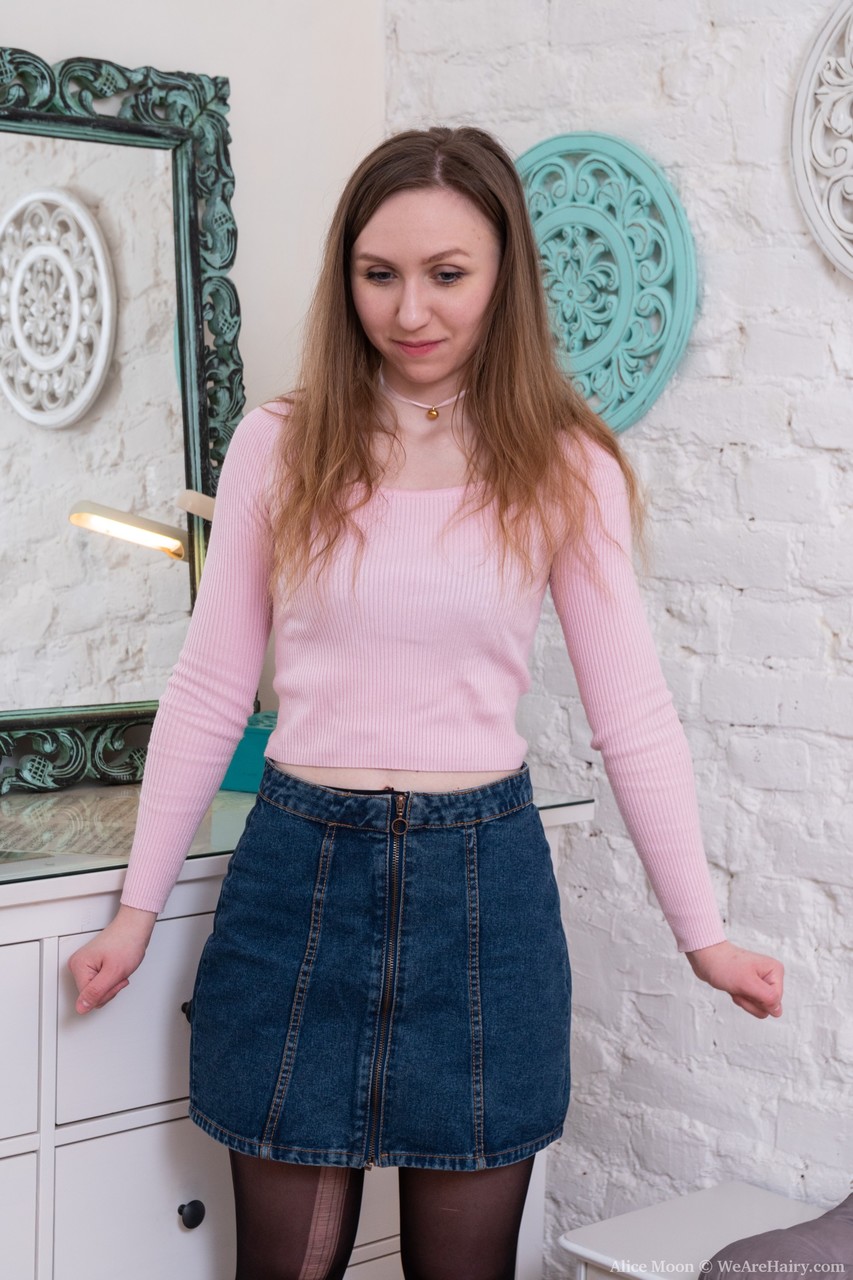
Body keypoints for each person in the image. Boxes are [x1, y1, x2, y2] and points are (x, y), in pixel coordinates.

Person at [68, 126, 784, 1280]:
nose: (410, 310)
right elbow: (208, 684)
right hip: (296, 883)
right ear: (345, 273)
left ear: (503, 275)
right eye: (379, 273)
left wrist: (702, 934)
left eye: (447, 273)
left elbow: (634, 711)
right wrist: (135, 910)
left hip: (483, 898)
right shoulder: (280, 444)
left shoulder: (562, 461)